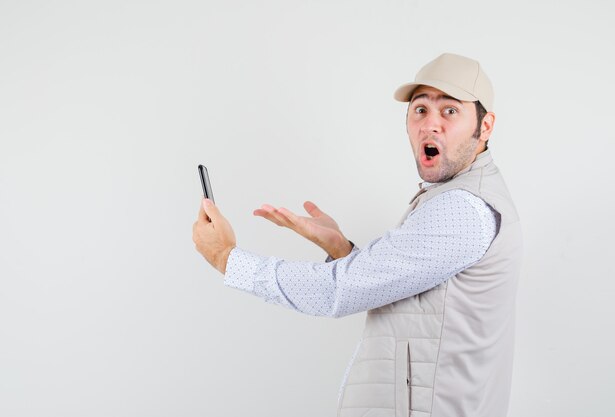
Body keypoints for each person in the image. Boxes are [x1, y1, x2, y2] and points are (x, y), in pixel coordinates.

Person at [192, 52, 522, 417]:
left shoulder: (462, 208)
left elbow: (338, 291)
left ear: (485, 126)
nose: (430, 125)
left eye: (449, 111)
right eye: (420, 109)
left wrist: (228, 259)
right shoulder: (451, 196)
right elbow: (405, 296)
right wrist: (341, 249)